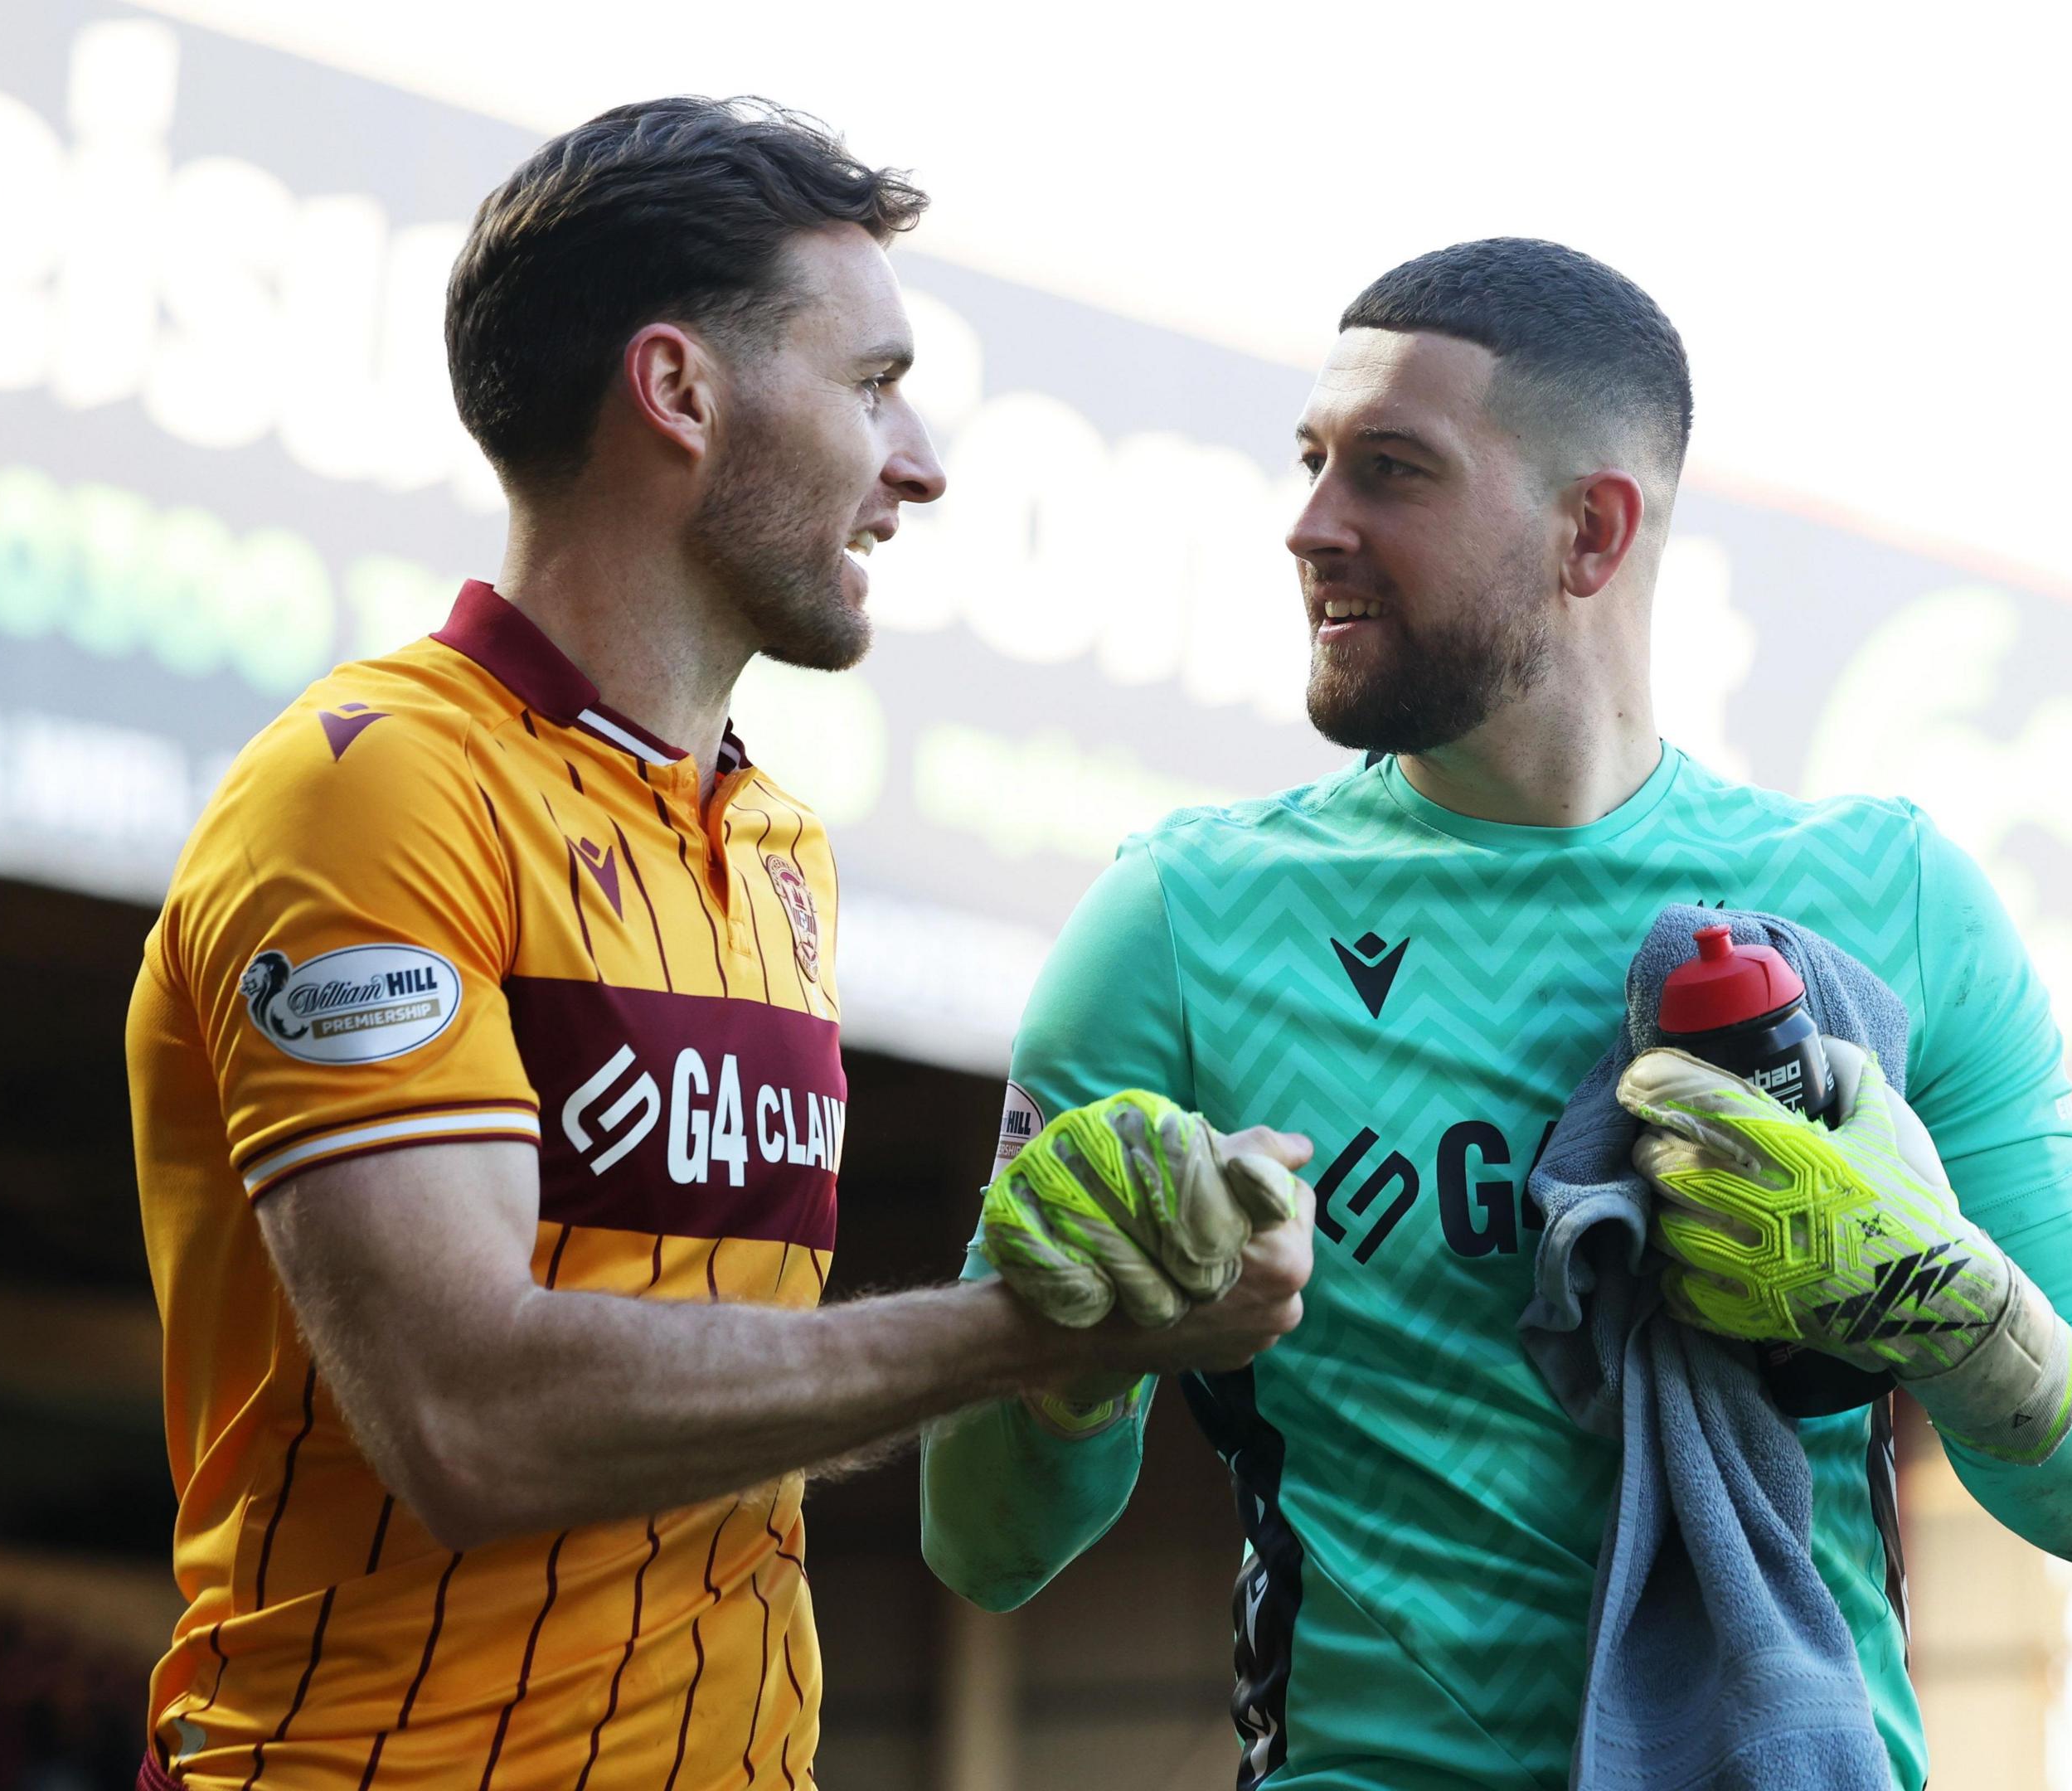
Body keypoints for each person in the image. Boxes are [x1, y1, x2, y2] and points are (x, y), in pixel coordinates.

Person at [124, 98, 1306, 1789]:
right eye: (874, 385)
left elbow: (728, 1396)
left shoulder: (781, 853)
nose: (924, 462)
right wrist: (1049, 1327)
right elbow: (476, 1417)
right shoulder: (368, 796)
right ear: (677, 392)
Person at [920, 238, 2072, 1789]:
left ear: (1593, 530)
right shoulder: (1175, 925)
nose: (1312, 525)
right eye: (1311, 462)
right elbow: (980, 1545)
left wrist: (1935, 1296)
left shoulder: (1895, 901)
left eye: (1390, 471)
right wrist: (1079, 1352)